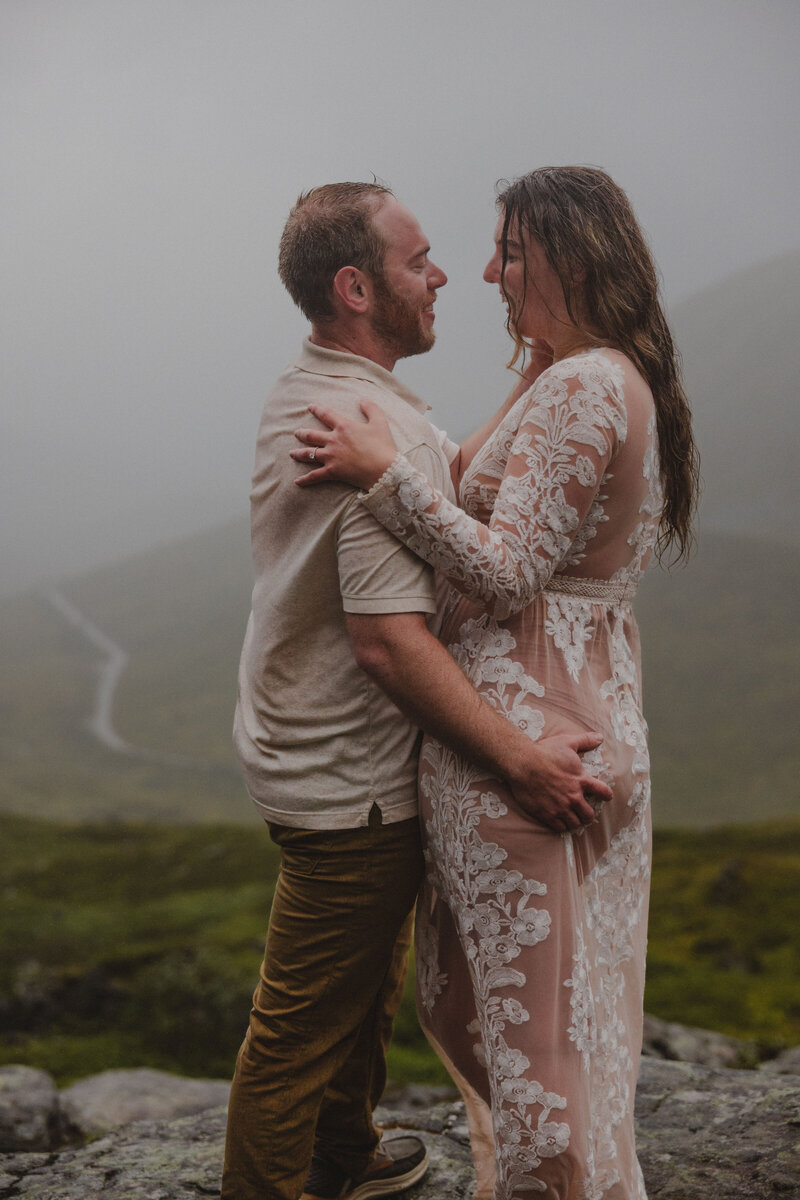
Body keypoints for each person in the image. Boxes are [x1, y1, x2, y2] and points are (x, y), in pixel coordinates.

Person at [291, 166, 699, 1199]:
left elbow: (506, 569)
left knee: (534, 1055)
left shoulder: (585, 384)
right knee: (548, 1021)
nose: (485, 274)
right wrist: (525, 376)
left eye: (509, 253)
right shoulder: (593, 375)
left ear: (568, 258)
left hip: (526, 728)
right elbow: (478, 484)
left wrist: (380, 475)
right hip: (584, 707)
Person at [222, 180, 612, 1200]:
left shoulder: (339, 394)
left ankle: (344, 1153)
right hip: (346, 775)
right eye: (418, 260)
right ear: (356, 288)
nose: (443, 277)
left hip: (308, 742)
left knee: (363, 974)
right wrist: (522, 762)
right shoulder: (358, 427)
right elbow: (389, 645)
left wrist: (540, 364)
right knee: (297, 1028)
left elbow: (444, 467)